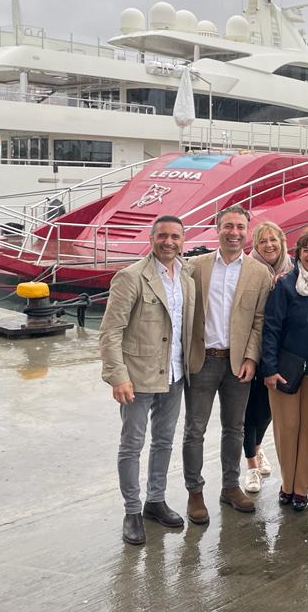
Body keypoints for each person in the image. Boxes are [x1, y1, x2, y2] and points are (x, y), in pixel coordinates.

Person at [100, 215, 195, 545]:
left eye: (175, 237)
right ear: (152, 239)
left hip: (175, 373)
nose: (169, 242)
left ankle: (155, 500)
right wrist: (118, 376)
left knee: (164, 441)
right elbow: (110, 331)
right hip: (138, 376)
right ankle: (131, 511)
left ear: (183, 241)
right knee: (132, 444)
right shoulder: (131, 277)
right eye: (162, 236)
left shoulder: (187, 276)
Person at [182, 206, 273, 524]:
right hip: (202, 359)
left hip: (238, 363)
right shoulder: (196, 267)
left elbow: (259, 320)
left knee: (235, 428)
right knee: (195, 429)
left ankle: (230, 486)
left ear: (247, 231)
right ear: (217, 229)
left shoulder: (259, 273)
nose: (234, 232)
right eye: (228, 226)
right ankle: (195, 492)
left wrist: (251, 357)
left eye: (240, 227)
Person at [260, 225, 308, 511]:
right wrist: (269, 368)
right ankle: (287, 484)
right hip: (284, 368)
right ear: (298, 253)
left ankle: (301, 489)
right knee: (286, 427)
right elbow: (271, 328)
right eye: (306, 250)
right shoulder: (285, 285)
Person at [241, 220, 293, 493]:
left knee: (267, 411)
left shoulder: (293, 268)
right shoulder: (248, 270)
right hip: (252, 350)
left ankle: (258, 447)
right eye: (263, 241)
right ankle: (251, 465)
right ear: (256, 246)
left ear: (282, 242)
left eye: (273, 240)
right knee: (249, 412)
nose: (269, 245)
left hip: (280, 352)